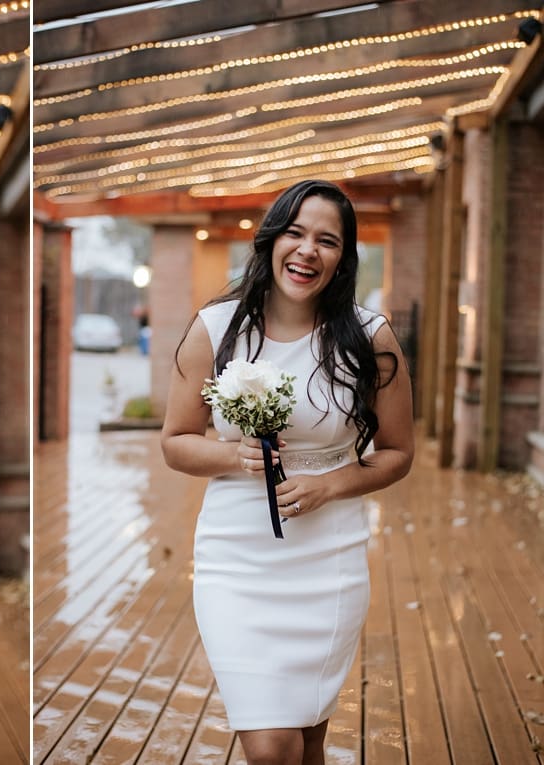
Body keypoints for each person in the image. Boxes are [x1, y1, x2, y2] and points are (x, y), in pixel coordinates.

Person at [161, 180, 414, 765]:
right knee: (271, 747)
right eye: (296, 233)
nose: (308, 251)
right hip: (237, 558)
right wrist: (234, 455)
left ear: (344, 258)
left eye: (327, 241)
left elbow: (398, 453)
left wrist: (332, 484)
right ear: (272, 239)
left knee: (308, 741)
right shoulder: (216, 329)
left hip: (328, 559)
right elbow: (175, 443)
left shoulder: (369, 338)